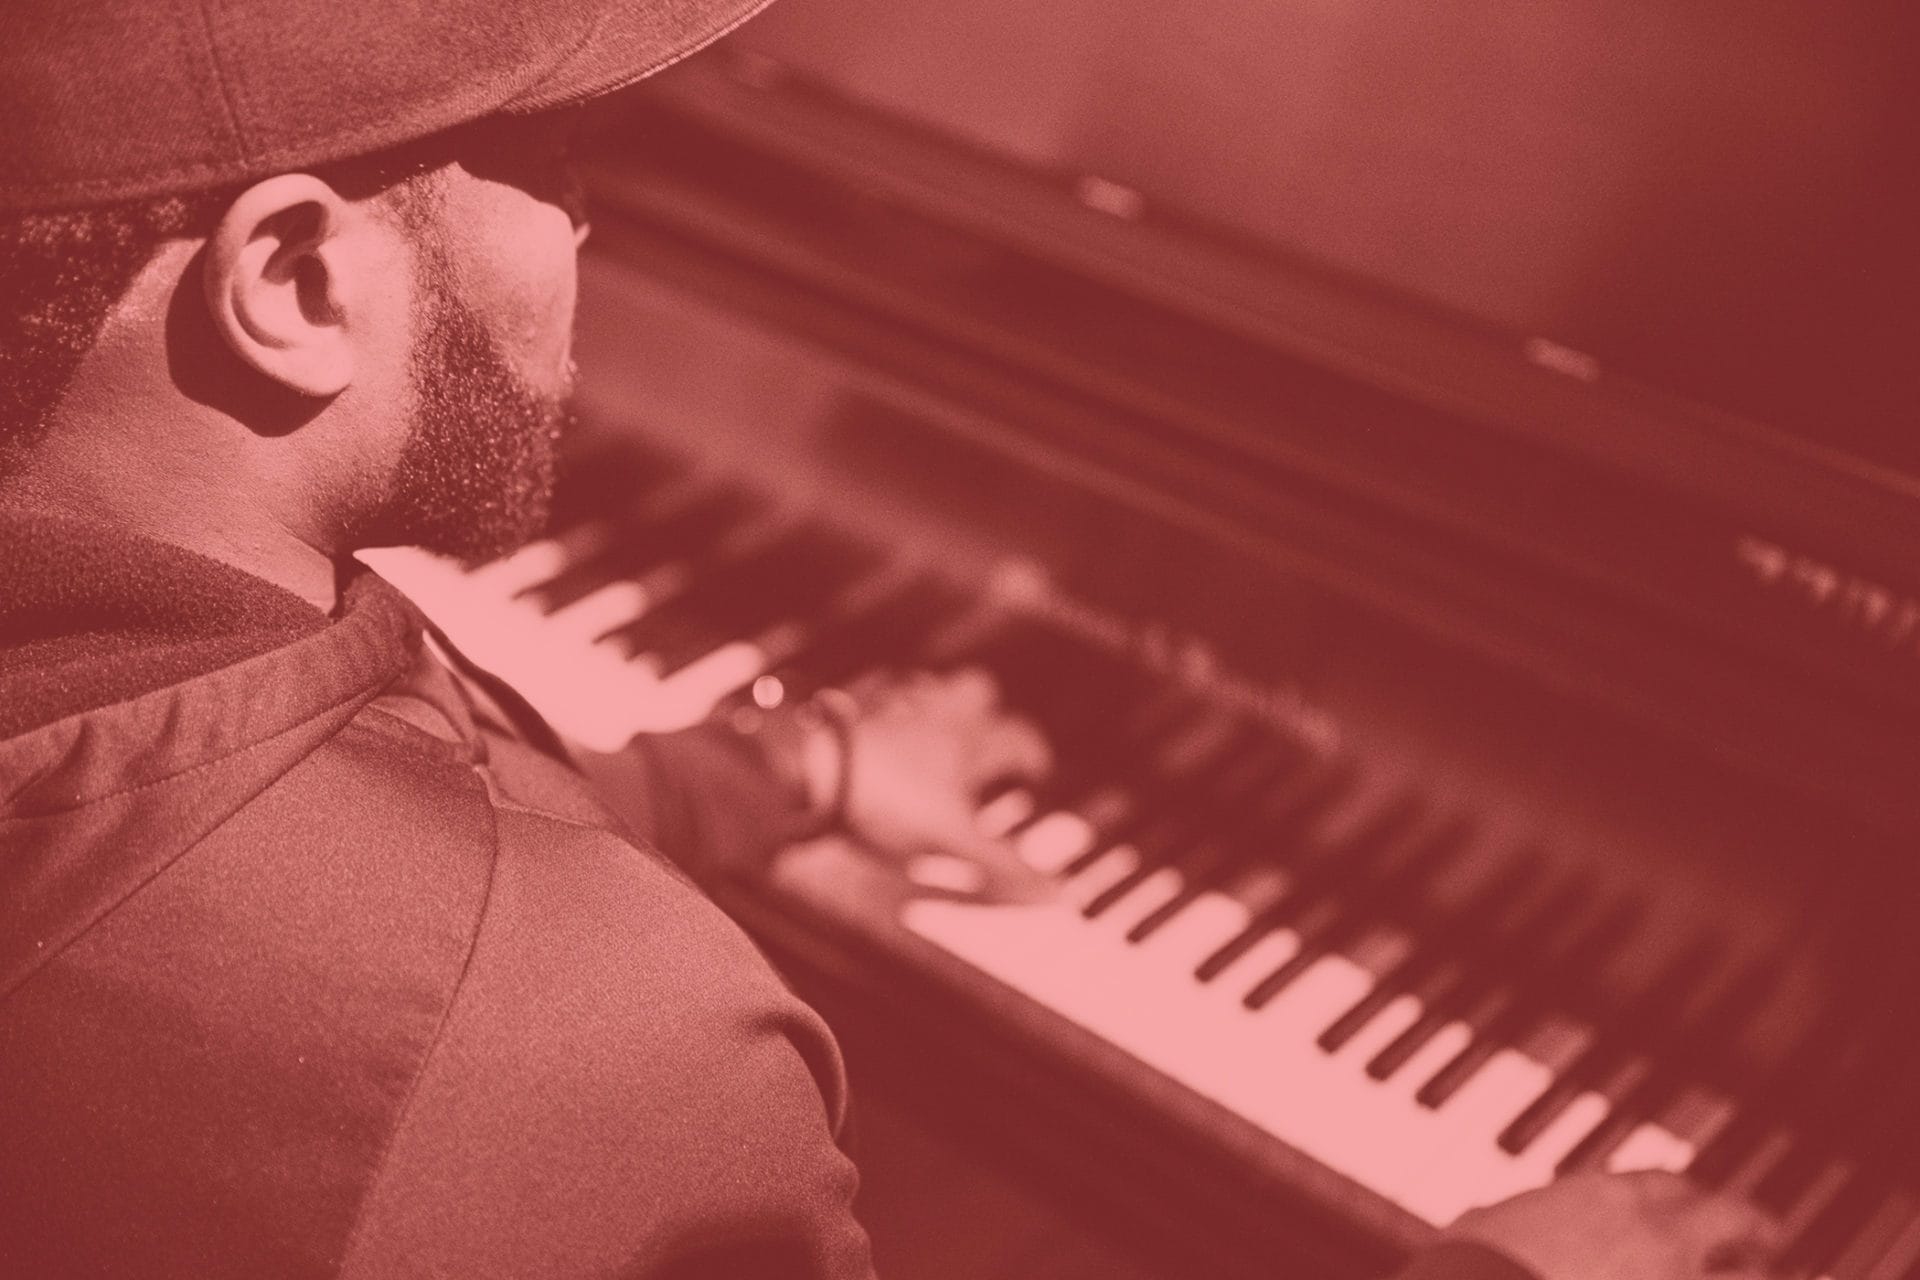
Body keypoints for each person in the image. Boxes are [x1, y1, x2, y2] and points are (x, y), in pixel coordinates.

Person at [0, 1, 1779, 1276]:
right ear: (296, 283)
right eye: (553, 165)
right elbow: (436, 1002)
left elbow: (231, 821)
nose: (592, 226)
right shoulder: (585, 1057)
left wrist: (790, 768)